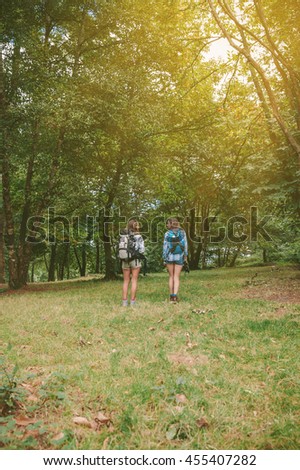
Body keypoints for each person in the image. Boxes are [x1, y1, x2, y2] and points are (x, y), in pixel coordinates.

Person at [163, 217, 188, 303]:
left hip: (169, 257)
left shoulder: (167, 234)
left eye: (168, 223)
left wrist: (164, 258)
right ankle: (175, 296)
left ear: (171, 224)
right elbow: (185, 245)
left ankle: (171, 296)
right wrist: (185, 256)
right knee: (176, 276)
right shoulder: (182, 232)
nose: (166, 225)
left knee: (171, 276)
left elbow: (165, 247)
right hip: (179, 256)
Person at [121, 219, 145, 307]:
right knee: (134, 280)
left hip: (125, 260)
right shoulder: (138, 236)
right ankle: (132, 302)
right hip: (135, 260)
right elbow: (142, 250)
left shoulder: (123, 235)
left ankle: (124, 302)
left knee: (126, 280)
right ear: (136, 226)